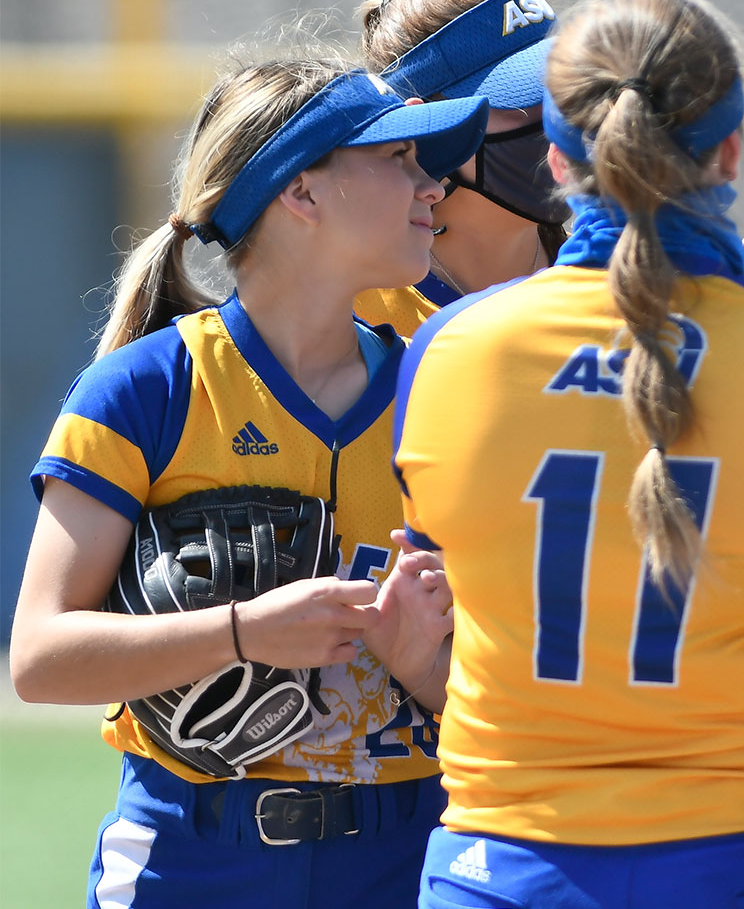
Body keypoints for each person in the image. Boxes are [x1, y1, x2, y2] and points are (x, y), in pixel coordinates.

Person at [393, 0, 744, 908]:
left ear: (560, 164)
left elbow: (447, 583)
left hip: (512, 871)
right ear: (730, 152)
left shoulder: (449, 353)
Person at [9, 57, 486, 908]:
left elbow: (509, 692)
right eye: (396, 161)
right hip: (189, 860)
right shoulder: (147, 390)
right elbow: (41, 659)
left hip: (408, 857)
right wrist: (240, 632)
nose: (432, 188)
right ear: (300, 193)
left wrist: (425, 669)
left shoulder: (446, 388)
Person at [355, 0, 572, 335]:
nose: (561, 115)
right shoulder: (348, 316)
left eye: (566, 89)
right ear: (425, 128)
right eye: (523, 97)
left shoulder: (625, 284)